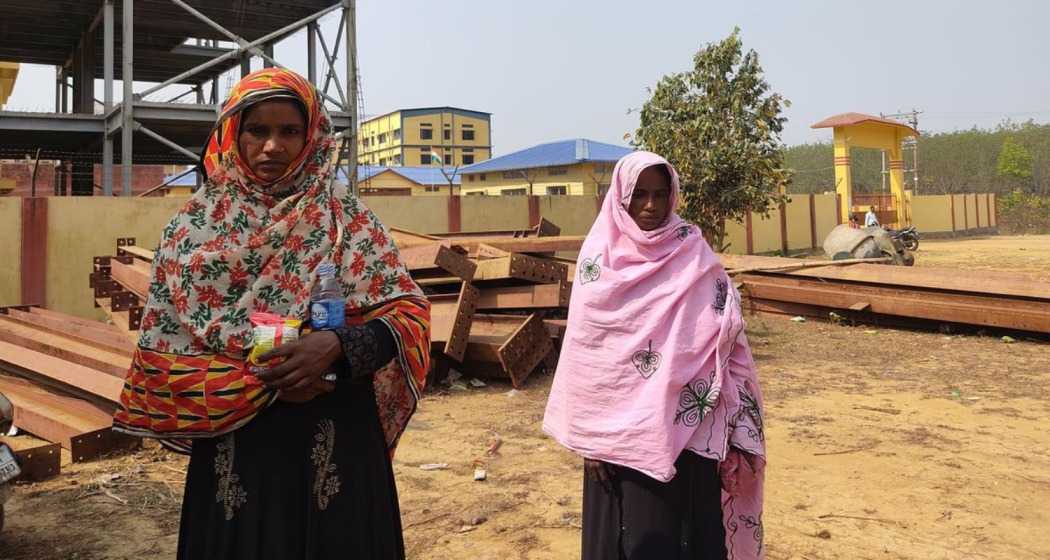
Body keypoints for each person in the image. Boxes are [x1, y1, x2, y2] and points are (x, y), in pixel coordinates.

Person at [112, 68, 430, 560]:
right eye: (257, 130)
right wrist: (264, 375)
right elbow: (165, 353)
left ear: (312, 136)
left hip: (337, 441)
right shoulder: (193, 230)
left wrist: (337, 348)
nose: (272, 146)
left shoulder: (346, 219)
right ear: (232, 134)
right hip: (238, 452)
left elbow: (406, 315)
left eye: (289, 131)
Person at [543, 151, 766, 560]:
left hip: (691, 436)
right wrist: (593, 441)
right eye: (639, 194)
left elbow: (729, 339)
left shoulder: (694, 254)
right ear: (620, 197)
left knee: (689, 538)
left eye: (660, 195)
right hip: (619, 447)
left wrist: (738, 427)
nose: (650, 206)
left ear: (673, 196)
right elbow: (588, 359)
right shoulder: (599, 263)